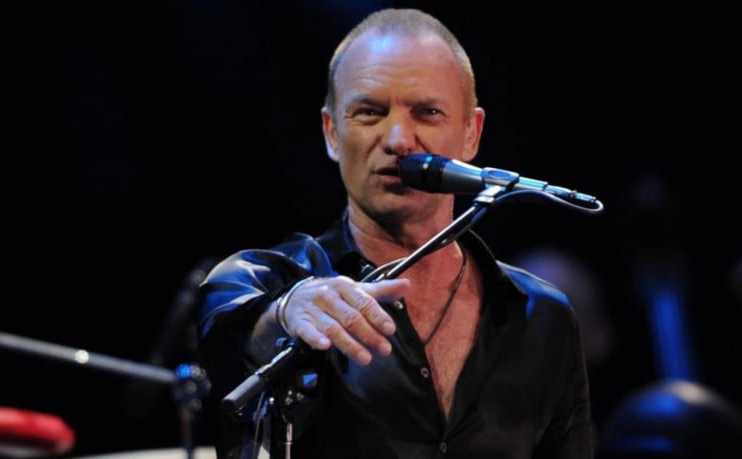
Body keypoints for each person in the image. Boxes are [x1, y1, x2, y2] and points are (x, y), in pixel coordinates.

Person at [197, 8, 593, 459]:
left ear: (471, 132)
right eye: (370, 112)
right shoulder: (265, 280)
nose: (399, 139)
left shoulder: (542, 316)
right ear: (332, 132)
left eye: (428, 112)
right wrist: (287, 311)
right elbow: (230, 326)